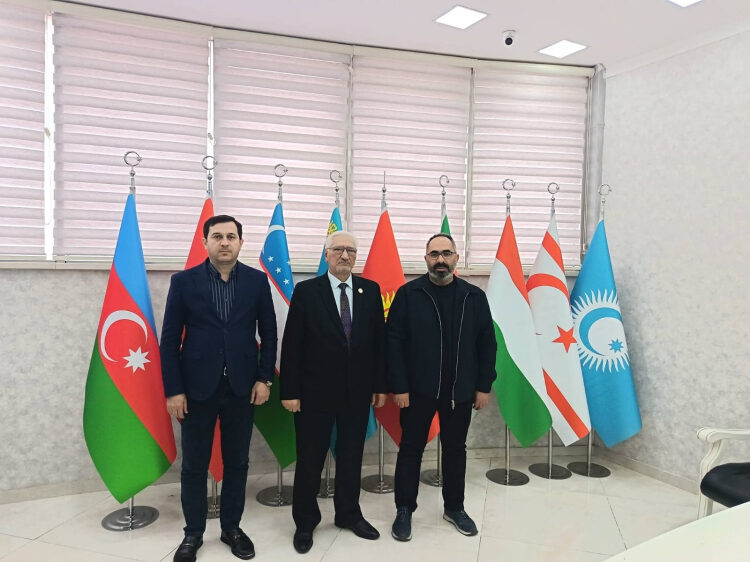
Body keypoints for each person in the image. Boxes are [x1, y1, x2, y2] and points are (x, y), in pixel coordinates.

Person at [161, 215, 277, 562]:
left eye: (231, 236)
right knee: (194, 465)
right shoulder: (184, 282)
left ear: (241, 242)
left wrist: (264, 379)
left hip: (243, 387)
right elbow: (169, 340)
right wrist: (174, 390)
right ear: (205, 242)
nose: (224, 242)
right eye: (217, 236)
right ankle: (193, 533)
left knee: (237, 462)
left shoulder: (257, 281)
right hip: (196, 389)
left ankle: (232, 528)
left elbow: (269, 333)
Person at [280, 231, 387, 554]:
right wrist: (290, 391)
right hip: (314, 392)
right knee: (310, 458)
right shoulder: (306, 291)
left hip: (357, 392)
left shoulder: (370, 290)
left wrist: (380, 385)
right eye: (338, 249)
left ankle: (348, 514)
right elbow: (293, 344)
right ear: (326, 255)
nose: (345, 255)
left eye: (351, 250)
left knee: (351, 456)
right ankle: (305, 522)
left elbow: (378, 344)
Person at [387, 232, 497, 542]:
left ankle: (455, 508)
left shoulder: (474, 297)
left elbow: (487, 344)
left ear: (456, 258)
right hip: (417, 392)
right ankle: (404, 509)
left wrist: (483, 386)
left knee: (455, 451)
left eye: (446, 253)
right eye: (434, 254)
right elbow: (393, 344)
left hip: (460, 392)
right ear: (426, 259)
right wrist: (400, 386)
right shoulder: (408, 294)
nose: (440, 260)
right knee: (410, 450)